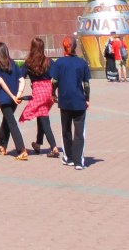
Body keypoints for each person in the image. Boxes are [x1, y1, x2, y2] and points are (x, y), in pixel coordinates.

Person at [50, 36, 90, 169]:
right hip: (79, 101)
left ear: (64, 47)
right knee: (79, 132)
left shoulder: (59, 63)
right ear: (75, 47)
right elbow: (86, 84)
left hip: (65, 101)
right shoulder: (82, 63)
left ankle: (69, 157)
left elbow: (54, 82)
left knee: (66, 130)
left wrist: (52, 94)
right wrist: (87, 98)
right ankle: (79, 162)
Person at [20, 36, 58, 156]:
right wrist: (54, 93)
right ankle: (38, 143)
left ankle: (54, 147)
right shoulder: (49, 61)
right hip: (49, 92)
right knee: (41, 115)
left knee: (44, 119)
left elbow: (20, 76)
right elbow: (56, 76)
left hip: (38, 92)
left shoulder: (28, 62)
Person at [0, 41, 27, 159]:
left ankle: (21, 150)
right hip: (14, 99)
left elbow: (1, 82)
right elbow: (22, 80)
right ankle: (3, 145)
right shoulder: (13, 64)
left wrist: (12, 95)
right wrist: (18, 94)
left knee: (11, 122)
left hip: (5, 99)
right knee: (7, 119)